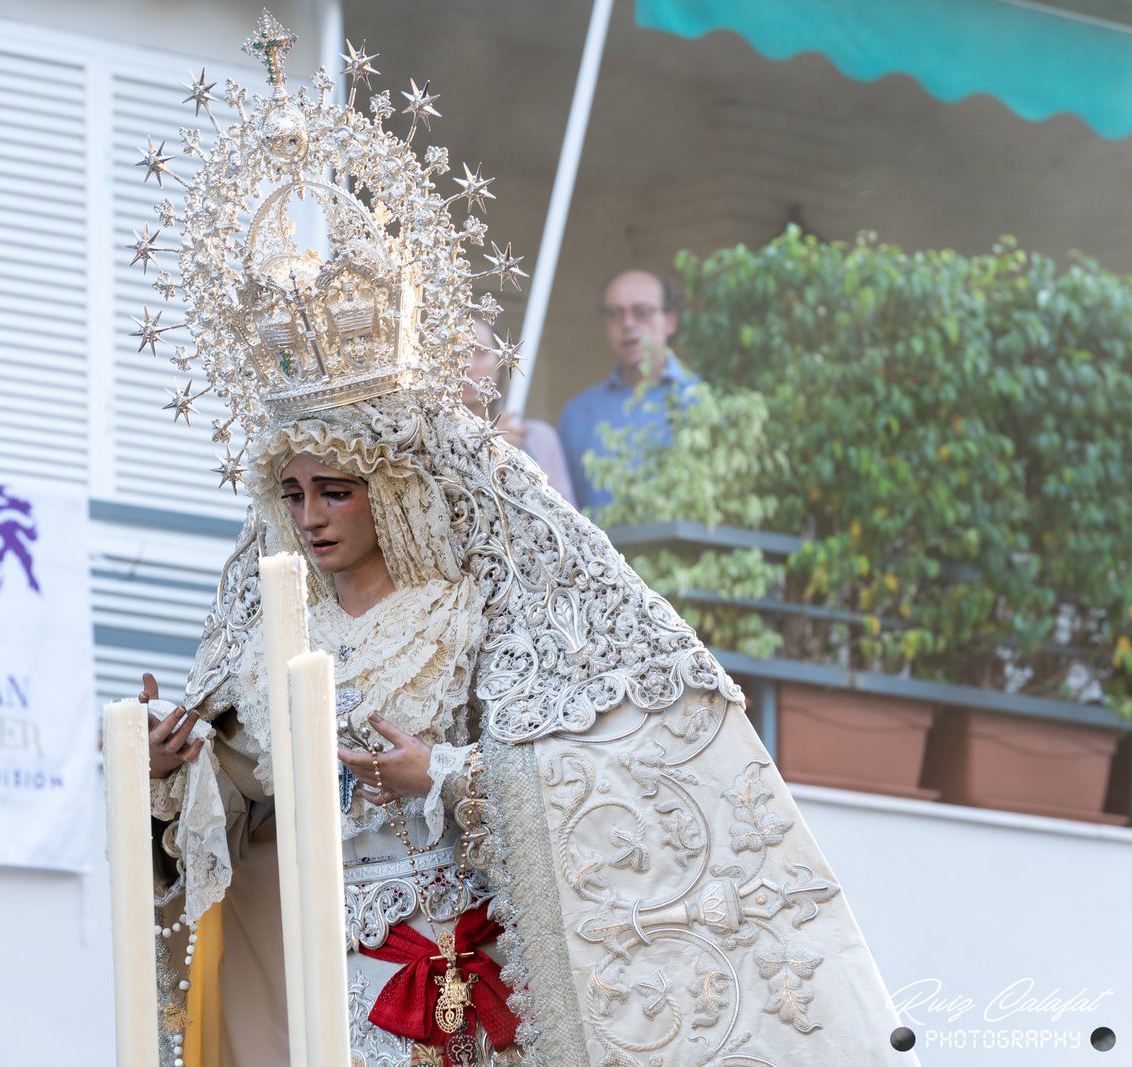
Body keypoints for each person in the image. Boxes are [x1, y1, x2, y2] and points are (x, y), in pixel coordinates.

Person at [128, 19, 915, 1066]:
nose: (312, 515)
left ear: (392, 489)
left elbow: (600, 770)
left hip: (462, 971)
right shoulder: (262, 634)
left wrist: (443, 774)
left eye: (336, 490)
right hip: (310, 977)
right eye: (292, 492)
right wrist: (167, 766)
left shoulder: (478, 602)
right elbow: (232, 819)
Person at [557, 269, 700, 513]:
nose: (628, 324)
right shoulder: (578, 414)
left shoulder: (703, 401)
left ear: (671, 321)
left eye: (642, 312)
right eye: (614, 314)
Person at [461, 316, 577, 506]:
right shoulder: (422, 440)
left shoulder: (537, 439)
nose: (468, 366)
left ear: (502, 359)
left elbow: (567, 521)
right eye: (456, 354)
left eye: (481, 352)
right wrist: (486, 451)